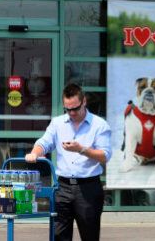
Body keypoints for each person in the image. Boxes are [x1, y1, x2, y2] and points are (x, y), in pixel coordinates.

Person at [25, 83, 111, 241]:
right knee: (59, 235)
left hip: (88, 187)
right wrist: (35, 153)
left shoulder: (99, 125)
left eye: (75, 109)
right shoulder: (58, 123)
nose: (71, 113)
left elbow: (105, 156)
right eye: (67, 109)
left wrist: (82, 149)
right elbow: (44, 143)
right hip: (63, 187)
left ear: (84, 101)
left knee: (89, 235)